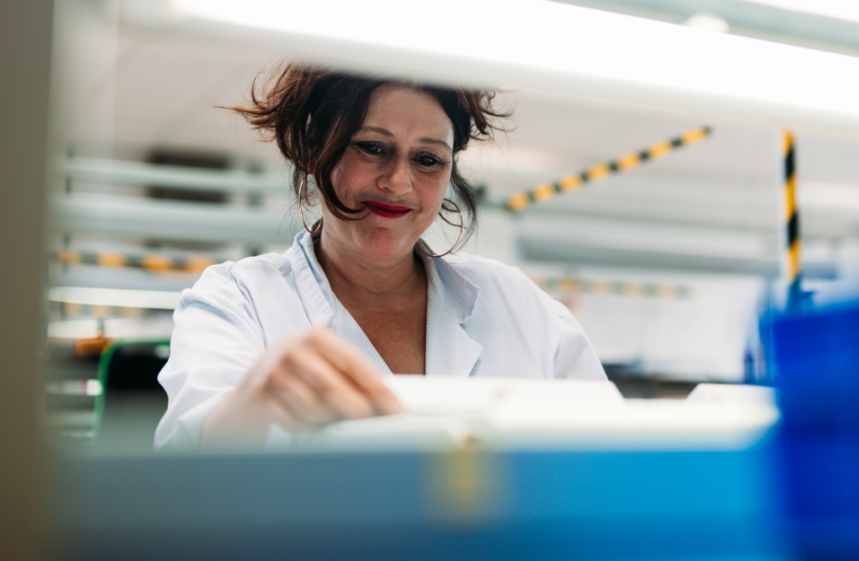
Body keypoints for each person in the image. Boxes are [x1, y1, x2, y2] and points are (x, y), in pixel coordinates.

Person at [155, 65, 606, 451]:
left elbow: (614, 453)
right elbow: (183, 471)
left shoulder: (517, 304)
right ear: (316, 149)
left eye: (428, 159)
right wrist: (252, 404)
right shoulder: (238, 299)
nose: (398, 183)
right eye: (372, 147)